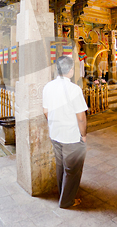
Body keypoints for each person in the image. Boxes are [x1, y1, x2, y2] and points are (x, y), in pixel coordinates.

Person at [42, 56, 88, 208]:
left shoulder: (48, 87)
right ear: (70, 70)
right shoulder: (74, 89)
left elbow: (45, 111)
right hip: (71, 136)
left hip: (55, 134)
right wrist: (83, 134)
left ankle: (63, 193)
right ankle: (67, 201)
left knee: (61, 167)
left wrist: (56, 123)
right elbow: (81, 117)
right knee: (73, 170)